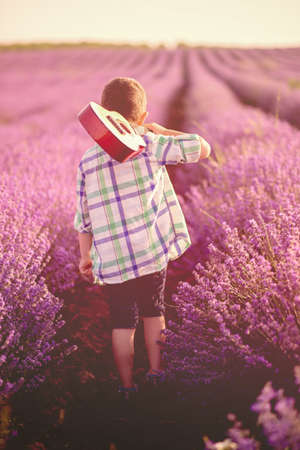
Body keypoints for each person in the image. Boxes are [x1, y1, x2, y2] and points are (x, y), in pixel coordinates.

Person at [74, 77, 211, 400]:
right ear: (142, 114)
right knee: (153, 310)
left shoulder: (88, 160)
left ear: (105, 115)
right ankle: (156, 372)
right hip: (149, 251)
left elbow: (84, 215)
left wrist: (85, 256)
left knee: (122, 320)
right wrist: (161, 130)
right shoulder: (149, 144)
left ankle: (125, 386)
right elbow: (203, 148)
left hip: (113, 257)